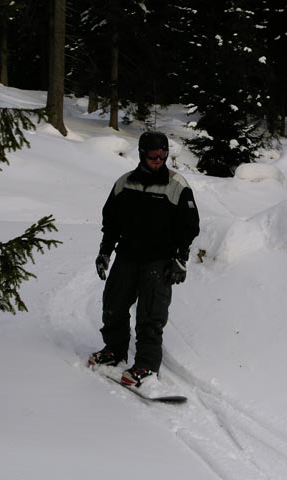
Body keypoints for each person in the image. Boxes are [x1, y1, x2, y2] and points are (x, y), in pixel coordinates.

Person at [87, 131, 200, 388]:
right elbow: (111, 222)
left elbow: (189, 227)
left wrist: (180, 259)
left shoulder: (176, 185)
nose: (158, 160)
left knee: (150, 315)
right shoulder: (124, 183)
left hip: (159, 260)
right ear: (141, 154)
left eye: (163, 155)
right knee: (113, 305)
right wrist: (105, 251)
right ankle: (114, 351)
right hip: (127, 255)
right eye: (153, 155)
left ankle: (147, 366)